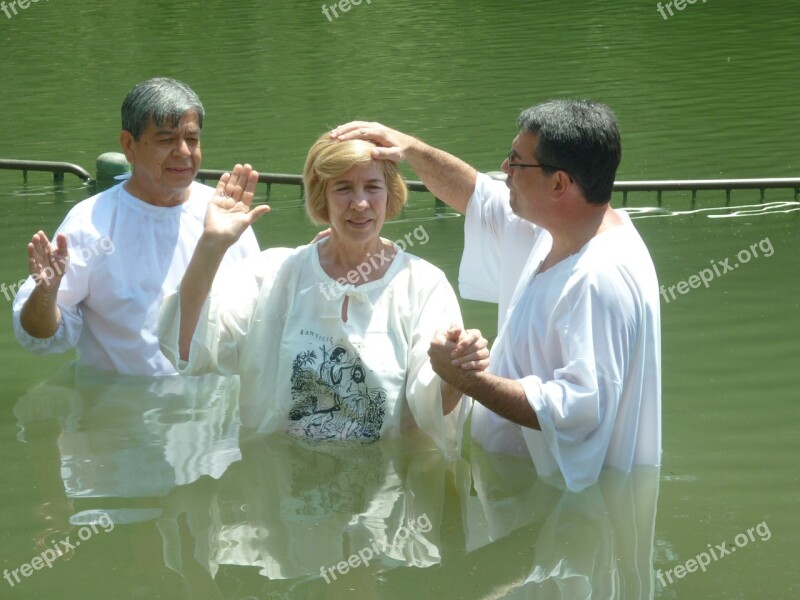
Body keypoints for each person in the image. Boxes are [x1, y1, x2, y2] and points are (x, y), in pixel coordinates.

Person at [330, 100, 661, 491]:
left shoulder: (601, 277)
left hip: (569, 510)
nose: (504, 169)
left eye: (516, 162)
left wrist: (467, 380)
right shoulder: (553, 227)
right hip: (519, 492)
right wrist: (409, 148)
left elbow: (581, 408)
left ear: (558, 184)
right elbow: (475, 195)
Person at [158, 135, 489, 452]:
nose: (360, 204)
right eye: (343, 188)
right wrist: (211, 246)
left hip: (383, 494)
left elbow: (431, 409)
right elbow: (185, 350)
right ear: (321, 196)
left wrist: (457, 373)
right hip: (280, 485)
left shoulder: (423, 284)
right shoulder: (273, 274)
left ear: (390, 194)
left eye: (373, 187)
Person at [12, 77, 260, 376]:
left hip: (213, 410)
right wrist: (47, 293)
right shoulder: (92, 223)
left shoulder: (225, 215)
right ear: (129, 145)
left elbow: (259, 316)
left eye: (191, 139)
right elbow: (40, 336)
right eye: (166, 140)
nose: (183, 151)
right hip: (122, 407)